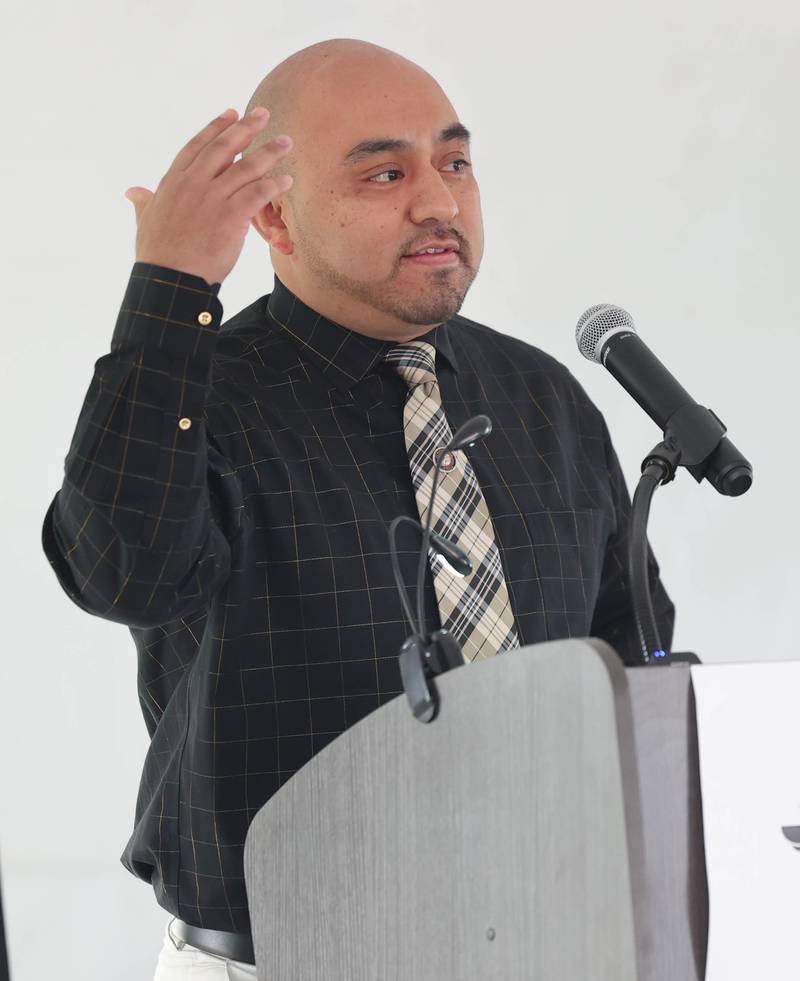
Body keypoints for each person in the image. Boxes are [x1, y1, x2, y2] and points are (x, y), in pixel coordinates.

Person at [41, 37, 674, 980]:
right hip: (286, 955)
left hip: (544, 942)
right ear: (274, 218)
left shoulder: (542, 398)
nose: (440, 201)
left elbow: (628, 663)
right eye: (386, 172)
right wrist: (171, 288)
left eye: (454, 162)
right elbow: (119, 571)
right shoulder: (196, 394)